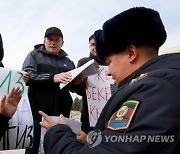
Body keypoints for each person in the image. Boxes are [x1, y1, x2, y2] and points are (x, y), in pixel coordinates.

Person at [39, 7, 180, 153]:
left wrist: (58, 134)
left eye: (109, 62)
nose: (107, 72)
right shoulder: (165, 84)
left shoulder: (152, 94)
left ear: (131, 53)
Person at [22, 27, 78, 154]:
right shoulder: (34, 55)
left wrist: (77, 83)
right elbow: (28, 75)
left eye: (56, 39)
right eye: (49, 39)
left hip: (61, 117)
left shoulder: (69, 62)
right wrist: (52, 78)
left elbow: (72, 87)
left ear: (62, 42)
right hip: (37, 116)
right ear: (44, 41)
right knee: (32, 150)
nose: (53, 42)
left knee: (56, 149)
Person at [76, 34, 106, 133]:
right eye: (93, 44)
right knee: (87, 143)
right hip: (88, 114)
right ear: (89, 46)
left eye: (98, 44)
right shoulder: (83, 62)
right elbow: (76, 89)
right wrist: (81, 86)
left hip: (109, 112)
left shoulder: (111, 63)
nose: (95, 47)